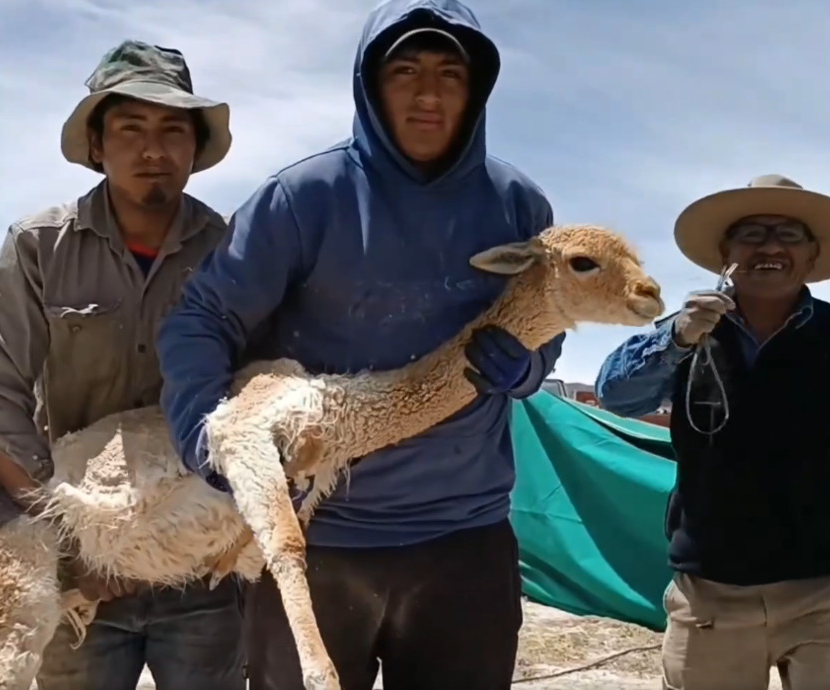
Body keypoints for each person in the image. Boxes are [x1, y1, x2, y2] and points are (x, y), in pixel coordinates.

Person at [157, 1, 562, 688]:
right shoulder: (303, 198)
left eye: (449, 73)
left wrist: (528, 367)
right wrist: (212, 438)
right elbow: (201, 319)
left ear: (478, 89)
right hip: (316, 540)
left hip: (464, 539)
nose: (427, 93)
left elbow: (544, 322)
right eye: (404, 70)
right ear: (371, 84)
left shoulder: (517, 206)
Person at [595, 174, 830, 690]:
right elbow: (616, 394)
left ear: (813, 256)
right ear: (724, 253)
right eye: (751, 233)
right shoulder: (684, 336)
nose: (770, 245)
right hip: (714, 588)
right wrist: (675, 337)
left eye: (789, 235)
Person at [0, 40, 244, 690]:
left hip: (198, 568)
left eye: (173, 130)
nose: (153, 148)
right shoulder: (37, 250)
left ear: (195, 150)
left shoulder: (233, 256)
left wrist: (212, 532)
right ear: (96, 145)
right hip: (76, 572)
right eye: (130, 128)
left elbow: (257, 399)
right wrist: (74, 545)